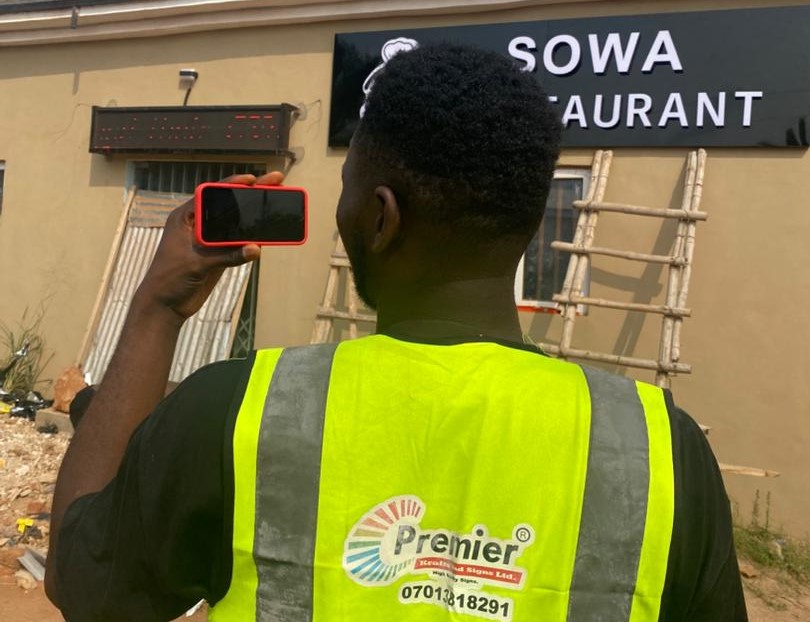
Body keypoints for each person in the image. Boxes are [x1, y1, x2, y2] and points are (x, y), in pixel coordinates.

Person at [45, 42, 747, 622]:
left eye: (347, 186)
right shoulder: (662, 452)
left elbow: (83, 583)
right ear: (531, 221)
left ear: (381, 217)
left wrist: (157, 308)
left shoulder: (236, 412)